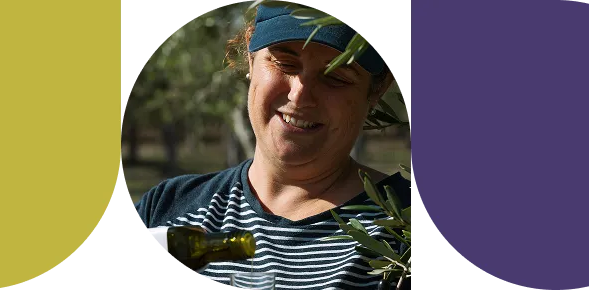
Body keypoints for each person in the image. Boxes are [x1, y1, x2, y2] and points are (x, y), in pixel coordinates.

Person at [134, 3, 414, 289]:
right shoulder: (167, 208)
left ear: (376, 90)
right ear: (251, 55)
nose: (300, 94)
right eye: (285, 63)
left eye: (336, 77)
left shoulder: (405, 228)